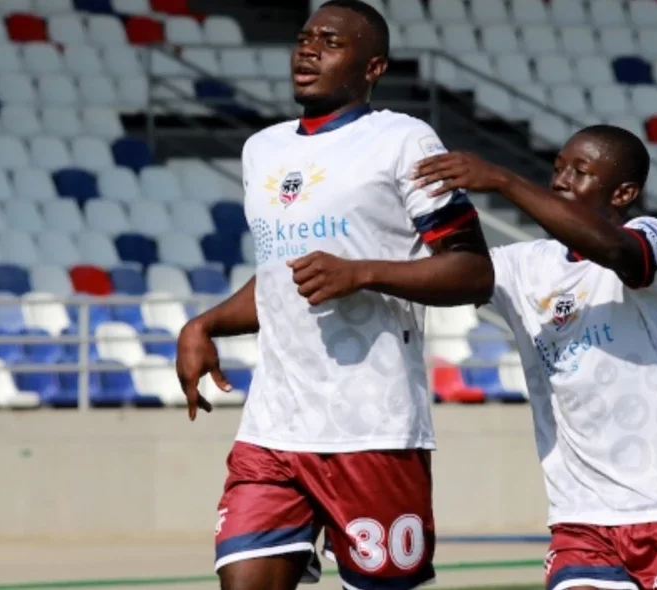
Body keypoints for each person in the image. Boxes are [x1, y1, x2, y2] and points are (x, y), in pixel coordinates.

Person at [174, 1, 494, 589]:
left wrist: (363, 272)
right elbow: (278, 280)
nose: (308, 49)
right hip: (273, 429)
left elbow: (473, 272)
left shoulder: (403, 140)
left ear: (372, 67)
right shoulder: (261, 150)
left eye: (330, 40)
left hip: (373, 429)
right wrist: (205, 324)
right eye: (303, 37)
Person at [413, 125, 657, 590]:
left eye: (580, 172)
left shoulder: (652, 239)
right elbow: (459, 275)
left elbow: (613, 248)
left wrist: (503, 180)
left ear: (624, 191)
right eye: (559, 167)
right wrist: (359, 273)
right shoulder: (524, 266)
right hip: (579, 516)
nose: (561, 178)